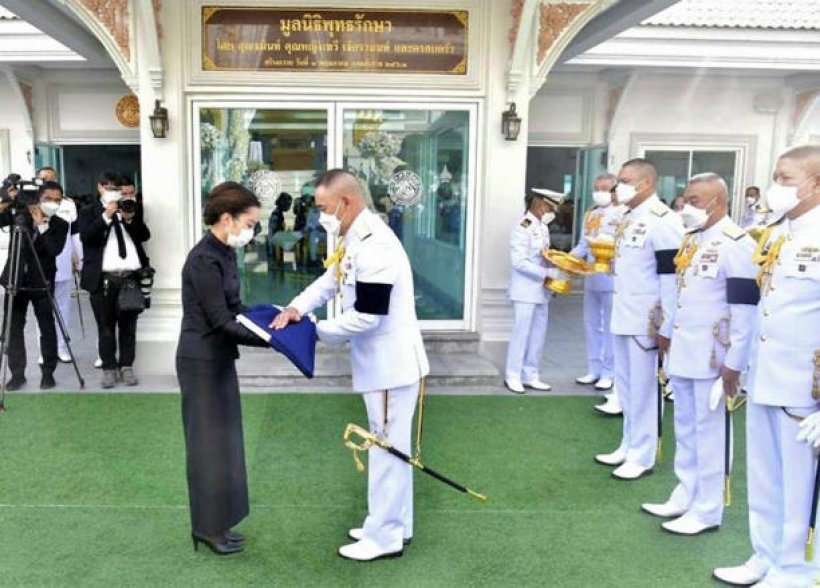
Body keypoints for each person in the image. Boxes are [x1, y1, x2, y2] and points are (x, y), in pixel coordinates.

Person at [272, 169, 429, 562]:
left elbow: (369, 315)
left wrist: (316, 331)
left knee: (385, 448)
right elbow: (330, 281)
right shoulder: (354, 236)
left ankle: (384, 536)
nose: (320, 214)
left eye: (324, 207)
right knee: (391, 447)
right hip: (380, 364)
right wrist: (296, 308)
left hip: (390, 366)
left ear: (346, 202)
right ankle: (396, 523)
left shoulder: (375, 245)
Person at [714, 145, 820, 587]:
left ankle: (797, 571)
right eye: (776, 176)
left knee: (799, 486)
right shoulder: (778, 233)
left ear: (816, 182)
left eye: (786, 178)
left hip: (805, 387)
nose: (776, 187)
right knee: (764, 477)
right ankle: (765, 555)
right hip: (766, 375)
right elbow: (763, 305)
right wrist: (737, 364)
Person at [640, 173, 758, 536]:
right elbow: (681, 293)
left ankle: (707, 510)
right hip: (685, 351)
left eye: (694, 199)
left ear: (717, 201)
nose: (685, 205)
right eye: (686, 198)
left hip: (714, 358)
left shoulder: (736, 243)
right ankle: (685, 493)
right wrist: (665, 332)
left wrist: (735, 363)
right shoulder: (692, 240)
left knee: (711, 435)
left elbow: (745, 310)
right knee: (686, 429)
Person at [177, 182, 268, 556]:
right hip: (200, 361)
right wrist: (269, 340)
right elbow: (219, 320)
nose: (252, 231)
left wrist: (272, 319)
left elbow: (236, 308)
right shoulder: (203, 260)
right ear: (227, 218)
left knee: (226, 443)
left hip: (219, 359)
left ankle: (222, 522)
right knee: (206, 447)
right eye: (249, 223)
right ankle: (206, 528)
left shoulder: (225, 253)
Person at [594, 159, 684, 480]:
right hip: (624, 314)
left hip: (647, 320)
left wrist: (667, 324)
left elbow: (671, 278)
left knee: (646, 389)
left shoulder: (664, 221)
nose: (619, 186)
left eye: (625, 180)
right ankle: (628, 443)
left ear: (645, 184)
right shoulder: (629, 217)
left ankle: (642, 454)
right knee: (628, 386)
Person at [78, 171, 151, 388]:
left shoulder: (128, 208)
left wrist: (128, 219)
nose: (114, 192)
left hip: (130, 278)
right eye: (109, 187)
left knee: (128, 326)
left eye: (117, 189)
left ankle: (126, 366)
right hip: (103, 279)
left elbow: (144, 236)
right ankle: (109, 368)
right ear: (100, 187)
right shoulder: (89, 211)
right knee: (105, 327)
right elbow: (87, 237)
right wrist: (106, 216)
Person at [0, 181, 69, 390]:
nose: (53, 203)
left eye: (58, 199)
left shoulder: (60, 224)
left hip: (42, 282)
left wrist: (42, 225)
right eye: (48, 198)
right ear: (38, 198)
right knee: (13, 329)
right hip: (16, 280)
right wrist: (6, 199)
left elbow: (53, 250)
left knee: (47, 327)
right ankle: (17, 374)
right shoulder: (19, 217)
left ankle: (48, 373)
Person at [504, 188, 564, 394]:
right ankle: (513, 375)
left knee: (538, 334)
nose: (552, 211)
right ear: (538, 204)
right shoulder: (523, 227)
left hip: (541, 291)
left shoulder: (542, 227)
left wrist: (554, 262)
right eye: (550, 207)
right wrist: (547, 273)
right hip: (524, 291)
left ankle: (531, 374)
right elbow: (519, 262)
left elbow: (541, 254)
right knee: (521, 334)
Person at [570, 173, 622, 396]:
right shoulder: (591, 212)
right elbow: (583, 244)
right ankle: (594, 368)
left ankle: (609, 372)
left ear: (614, 190)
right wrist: (568, 259)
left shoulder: (622, 213)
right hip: (591, 274)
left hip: (612, 276)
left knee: (610, 325)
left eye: (605, 188)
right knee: (591, 323)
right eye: (597, 187)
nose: (600, 192)